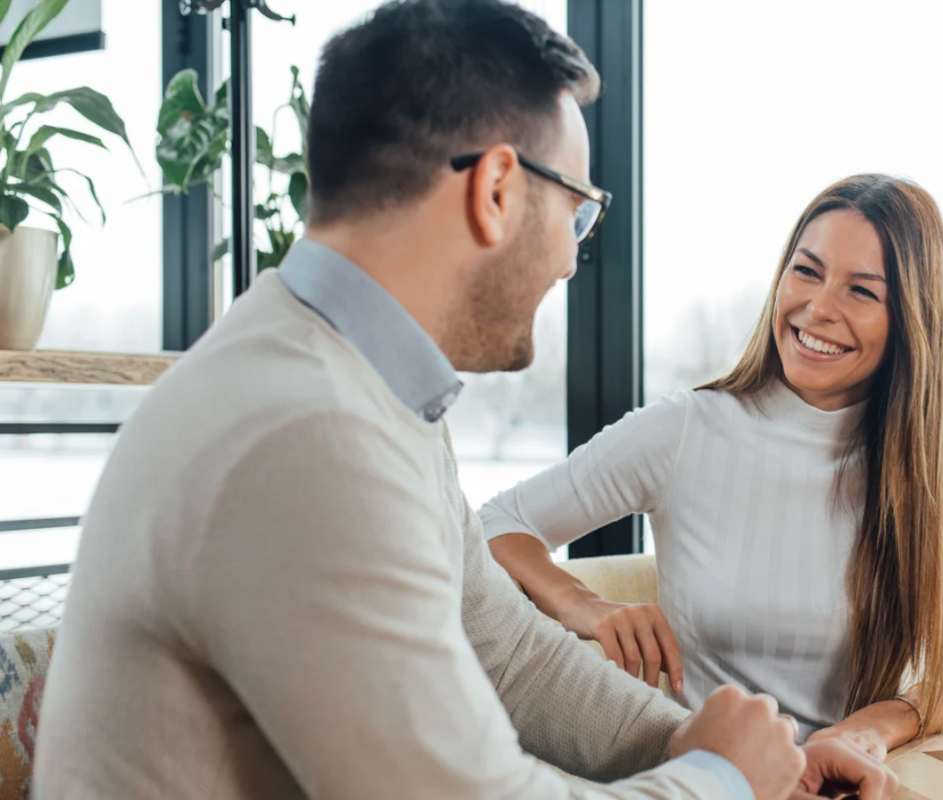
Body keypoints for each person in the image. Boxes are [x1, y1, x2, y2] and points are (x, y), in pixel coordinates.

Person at [33, 2, 896, 798]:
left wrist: (711, 750)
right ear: (494, 191)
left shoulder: (355, 385)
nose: (569, 258)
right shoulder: (305, 434)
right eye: (578, 214)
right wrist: (720, 778)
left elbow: (511, 656)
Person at [485, 174, 943, 758]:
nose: (819, 307)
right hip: (699, 780)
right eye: (806, 271)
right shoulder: (684, 430)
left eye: (862, 291)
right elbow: (495, 523)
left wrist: (862, 733)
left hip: (846, 781)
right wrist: (583, 604)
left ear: (910, 316)